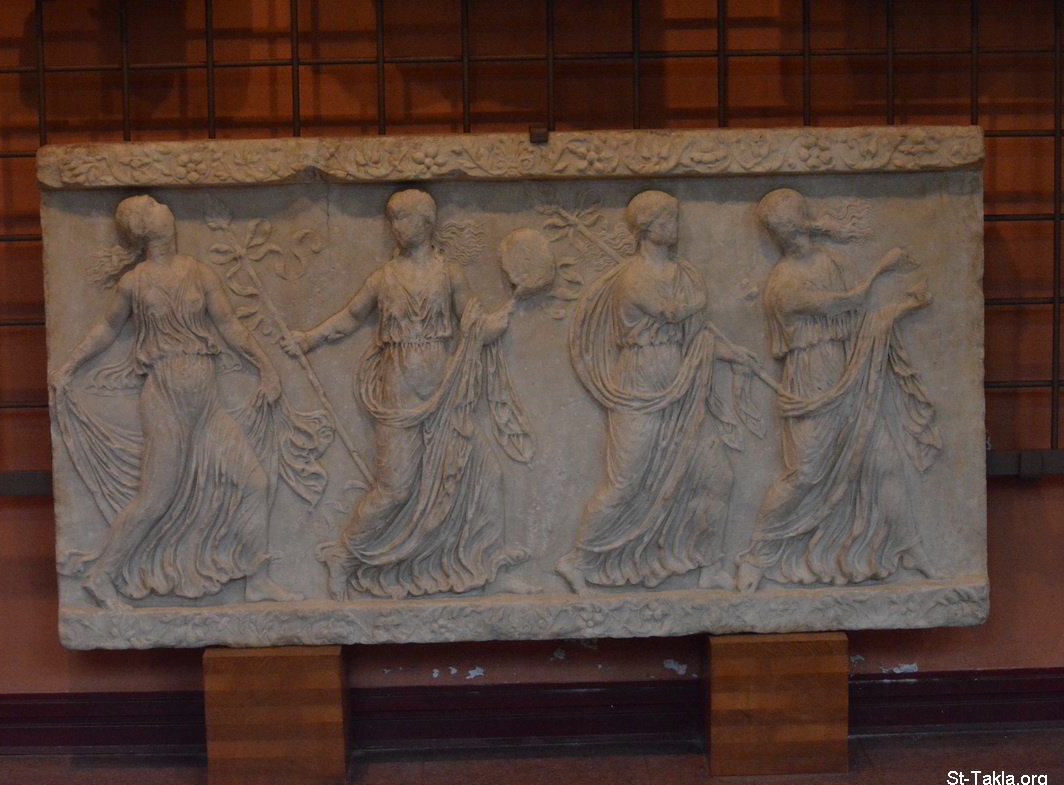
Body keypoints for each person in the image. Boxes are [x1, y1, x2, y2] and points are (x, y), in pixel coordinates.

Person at [51, 195, 330, 610]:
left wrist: (266, 369)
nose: (162, 206)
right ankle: (101, 576)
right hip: (165, 400)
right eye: (151, 205)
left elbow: (230, 327)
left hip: (207, 402)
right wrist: (69, 367)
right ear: (143, 227)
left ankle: (257, 579)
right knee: (154, 498)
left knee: (255, 483)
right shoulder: (135, 283)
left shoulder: (200, 273)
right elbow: (106, 329)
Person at [281, 189, 531, 600]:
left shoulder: (449, 274)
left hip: (445, 395)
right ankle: (343, 555)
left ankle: (484, 567)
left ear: (426, 222)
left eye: (403, 218)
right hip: (397, 394)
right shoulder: (383, 278)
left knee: (486, 473)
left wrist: (498, 320)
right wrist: (309, 339)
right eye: (392, 219)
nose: (396, 227)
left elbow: (475, 326)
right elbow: (350, 317)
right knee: (394, 489)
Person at [736, 188, 941, 592]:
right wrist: (883, 266)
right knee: (804, 475)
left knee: (882, 458)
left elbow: (862, 321)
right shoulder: (782, 283)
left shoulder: (836, 261)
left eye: (788, 226)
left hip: (849, 369)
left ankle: (910, 546)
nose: (786, 236)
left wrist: (906, 307)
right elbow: (848, 301)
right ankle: (757, 557)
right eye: (780, 230)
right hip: (810, 380)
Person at [556, 191, 762, 594]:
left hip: (682, 387)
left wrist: (733, 354)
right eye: (668, 219)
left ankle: (708, 564)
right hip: (640, 386)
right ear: (646, 228)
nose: (676, 225)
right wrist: (701, 300)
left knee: (717, 476)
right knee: (627, 485)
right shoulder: (634, 278)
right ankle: (576, 559)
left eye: (676, 217)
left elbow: (695, 337)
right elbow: (672, 312)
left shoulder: (683, 275)